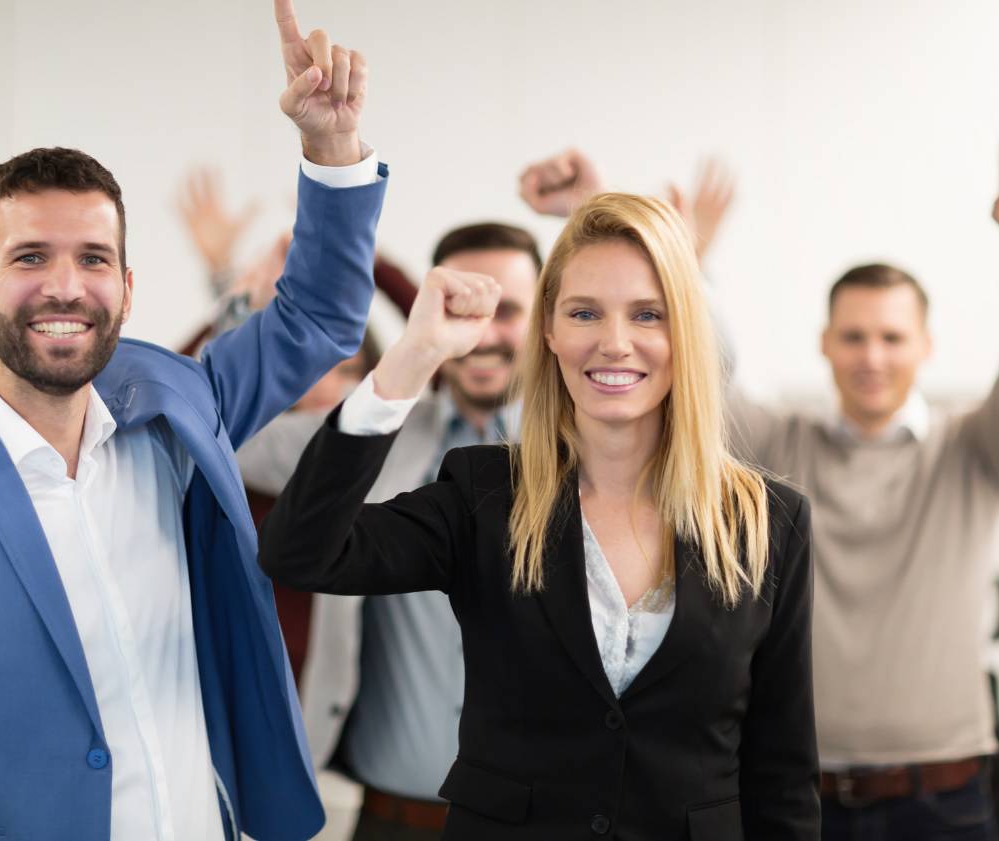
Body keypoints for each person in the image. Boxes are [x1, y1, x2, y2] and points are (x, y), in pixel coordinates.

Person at [0, 0, 388, 841]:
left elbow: (319, 315)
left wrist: (331, 148)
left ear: (128, 284)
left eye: (93, 259)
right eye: (29, 256)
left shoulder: (180, 406)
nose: (65, 287)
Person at [260, 192, 819, 840]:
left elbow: (781, 774)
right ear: (548, 330)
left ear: (686, 330)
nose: (614, 342)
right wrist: (411, 355)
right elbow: (299, 552)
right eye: (584, 312)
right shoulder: (483, 493)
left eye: (648, 314)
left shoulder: (767, 522)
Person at [236, 221, 540, 839]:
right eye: (462, 306)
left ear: (549, 320)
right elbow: (226, 431)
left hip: (545, 822)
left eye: (506, 310)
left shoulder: (591, 450)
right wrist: (257, 311)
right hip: (394, 820)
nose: (483, 331)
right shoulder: (368, 433)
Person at [724, 226, 999, 837]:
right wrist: (685, 267)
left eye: (891, 337)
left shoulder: (972, 448)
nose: (872, 357)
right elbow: (699, 374)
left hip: (944, 803)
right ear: (825, 343)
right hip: (797, 799)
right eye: (854, 337)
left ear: (926, 345)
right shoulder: (776, 443)